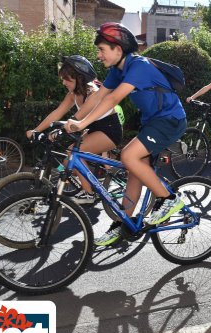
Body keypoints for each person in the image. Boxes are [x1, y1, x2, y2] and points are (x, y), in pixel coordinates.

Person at [66, 22, 187, 246]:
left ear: (118, 49)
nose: (98, 55)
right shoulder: (117, 70)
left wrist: (82, 124)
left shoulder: (138, 66)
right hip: (152, 122)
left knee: (128, 156)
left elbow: (112, 99)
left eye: (102, 49)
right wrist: (72, 120)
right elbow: (98, 96)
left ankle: (170, 199)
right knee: (134, 169)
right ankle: (126, 223)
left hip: (170, 120)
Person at [26, 55, 123, 204]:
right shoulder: (73, 94)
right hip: (92, 129)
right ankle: (87, 179)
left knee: (73, 151)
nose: (63, 82)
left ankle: (88, 193)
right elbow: (57, 112)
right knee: (66, 155)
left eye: (67, 79)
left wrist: (61, 130)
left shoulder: (93, 92)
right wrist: (36, 130)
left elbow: (78, 117)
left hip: (109, 131)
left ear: (80, 78)